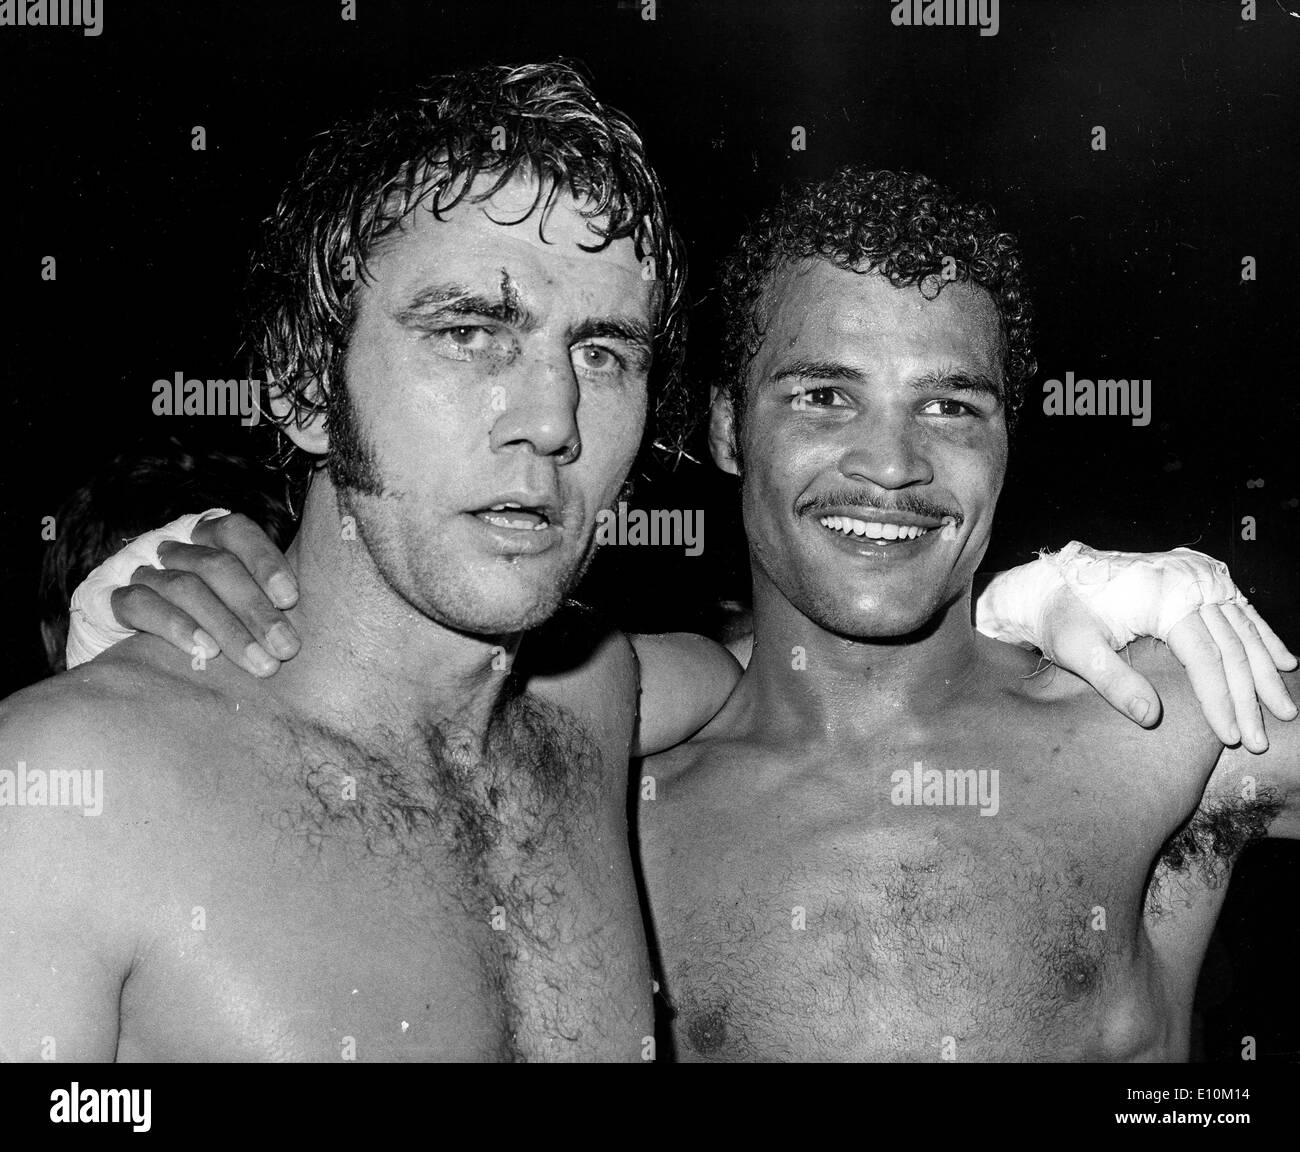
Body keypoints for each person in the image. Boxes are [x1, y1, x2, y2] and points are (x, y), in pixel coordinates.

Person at [44, 151, 1294, 1057]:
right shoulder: (589, 777)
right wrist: (151, 595)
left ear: (1013, 443)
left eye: (952, 407)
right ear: (719, 430)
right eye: (821, 395)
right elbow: (402, 676)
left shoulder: (1164, 722)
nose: (896, 465)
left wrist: (1056, 586)